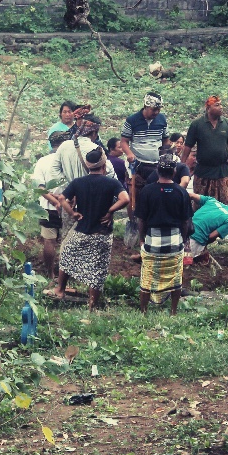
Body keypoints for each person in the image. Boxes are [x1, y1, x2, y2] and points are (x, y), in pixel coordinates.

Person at [54, 147, 129, 311]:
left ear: (88, 166)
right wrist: (110, 211)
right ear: (104, 165)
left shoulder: (78, 182)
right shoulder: (111, 183)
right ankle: (92, 305)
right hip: (102, 233)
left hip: (81, 231)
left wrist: (72, 213)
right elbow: (125, 199)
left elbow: (61, 198)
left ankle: (60, 289)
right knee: (98, 269)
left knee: (66, 255)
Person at [137, 154, 194, 315]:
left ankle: (143, 311)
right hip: (175, 242)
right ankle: (173, 311)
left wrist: (142, 239)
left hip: (152, 242)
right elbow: (185, 221)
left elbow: (141, 220)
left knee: (148, 277)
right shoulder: (181, 192)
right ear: (174, 172)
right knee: (175, 278)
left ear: (157, 170)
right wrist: (183, 240)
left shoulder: (147, 191)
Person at [181, 95, 228, 204]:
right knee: (200, 202)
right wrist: (182, 164)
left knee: (222, 202)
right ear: (208, 108)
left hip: (221, 170)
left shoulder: (226, 124)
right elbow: (188, 146)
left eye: (221, 105)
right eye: (217, 105)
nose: (221, 107)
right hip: (203, 171)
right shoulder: (197, 124)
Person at [32, 130, 68, 278]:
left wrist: (54, 201)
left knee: (49, 240)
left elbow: (40, 188)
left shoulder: (42, 161)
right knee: (68, 241)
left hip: (48, 208)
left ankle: (50, 274)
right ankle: (66, 275)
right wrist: (62, 202)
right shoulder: (69, 160)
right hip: (69, 206)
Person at [48, 114, 117, 185]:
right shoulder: (96, 150)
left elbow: (54, 169)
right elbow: (110, 172)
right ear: (94, 133)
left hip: (70, 191)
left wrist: (67, 187)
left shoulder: (64, 146)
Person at [185, 193, 228, 264]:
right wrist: (204, 245)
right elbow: (211, 236)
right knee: (185, 264)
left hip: (182, 230)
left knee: (177, 257)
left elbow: (191, 195)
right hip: (196, 239)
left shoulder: (212, 201)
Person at [120, 92, 171, 186]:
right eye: (154, 109)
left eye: (158, 109)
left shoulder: (162, 119)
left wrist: (165, 155)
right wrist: (129, 154)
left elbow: (166, 140)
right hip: (138, 164)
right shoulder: (132, 120)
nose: (156, 112)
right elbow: (124, 141)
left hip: (157, 164)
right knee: (137, 190)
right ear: (146, 106)